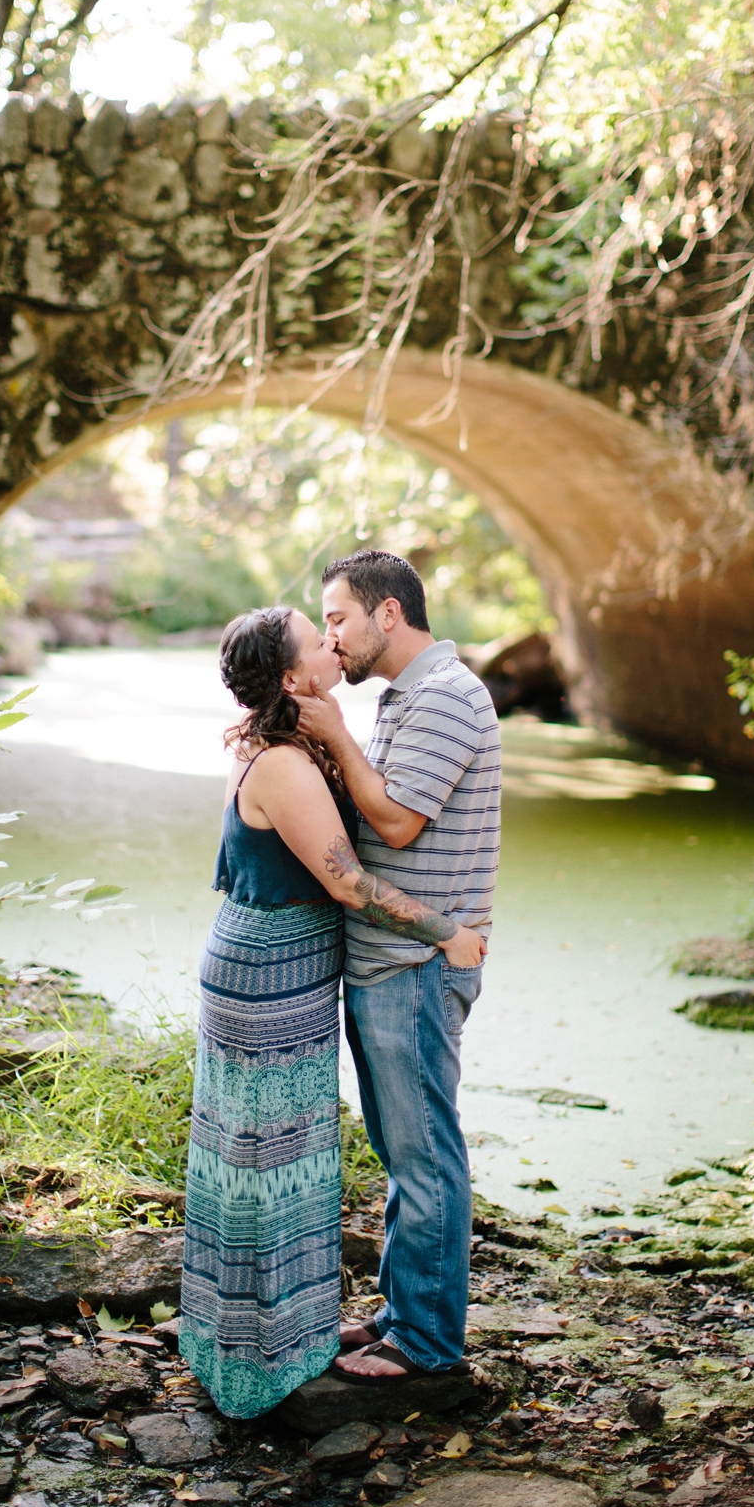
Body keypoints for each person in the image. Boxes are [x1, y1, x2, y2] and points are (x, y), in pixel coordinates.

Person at [179, 604, 488, 1420]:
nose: (333, 643)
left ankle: (284, 1331)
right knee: (262, 1161)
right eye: (318, 641)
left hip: (290, 968)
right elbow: (346, 879)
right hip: (266, 974)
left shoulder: (297, 742)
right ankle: (256, 1352)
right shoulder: (280, 763)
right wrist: (446, 929)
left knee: (283, 1158)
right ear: (290, 678)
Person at [295, 550, 501, 1382]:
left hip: (416, 967)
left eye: (337, 618)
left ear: (388, 615)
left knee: (425, 1157)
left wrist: (336, 735)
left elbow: (400, 822)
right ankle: (399, 1314)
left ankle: (426, 1345)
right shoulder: (404, 698)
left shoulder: (449, 696)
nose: (332, 638)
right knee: (401, 1153)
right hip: (391, 961)